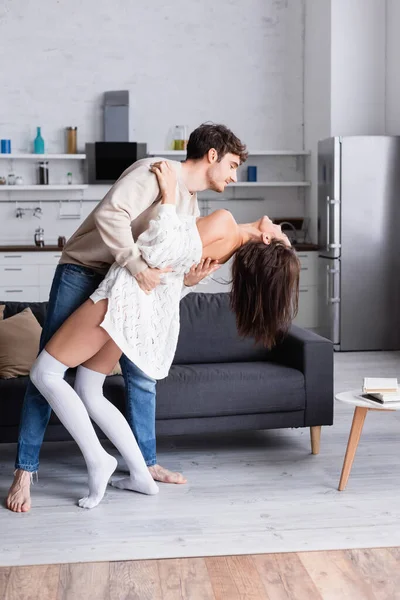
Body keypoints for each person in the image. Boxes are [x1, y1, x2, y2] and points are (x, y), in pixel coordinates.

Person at [27, 161, 300, 509]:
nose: (279, 226)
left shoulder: (225, 223)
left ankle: (98, 460)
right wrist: (187, 281)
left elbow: (158, 250)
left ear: (265, 239)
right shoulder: (228, 249)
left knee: (44, 373)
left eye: (281, 233)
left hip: (122, 297)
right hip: (145, 309)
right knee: (88, 387)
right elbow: (173, 276)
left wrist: (169, 197)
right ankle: (141, 476)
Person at [6, 123, 246, 513]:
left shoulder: (189, 201)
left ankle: (142, 467)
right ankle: (25, 471)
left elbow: (165, 261)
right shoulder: (155, 172)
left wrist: (191, 278)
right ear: (213, 155)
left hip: (122, 289)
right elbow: (112, 214)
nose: (234, 176)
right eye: (232, 164)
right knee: (47, 374)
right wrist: (135, 266)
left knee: (112, 378)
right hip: (85, 271)